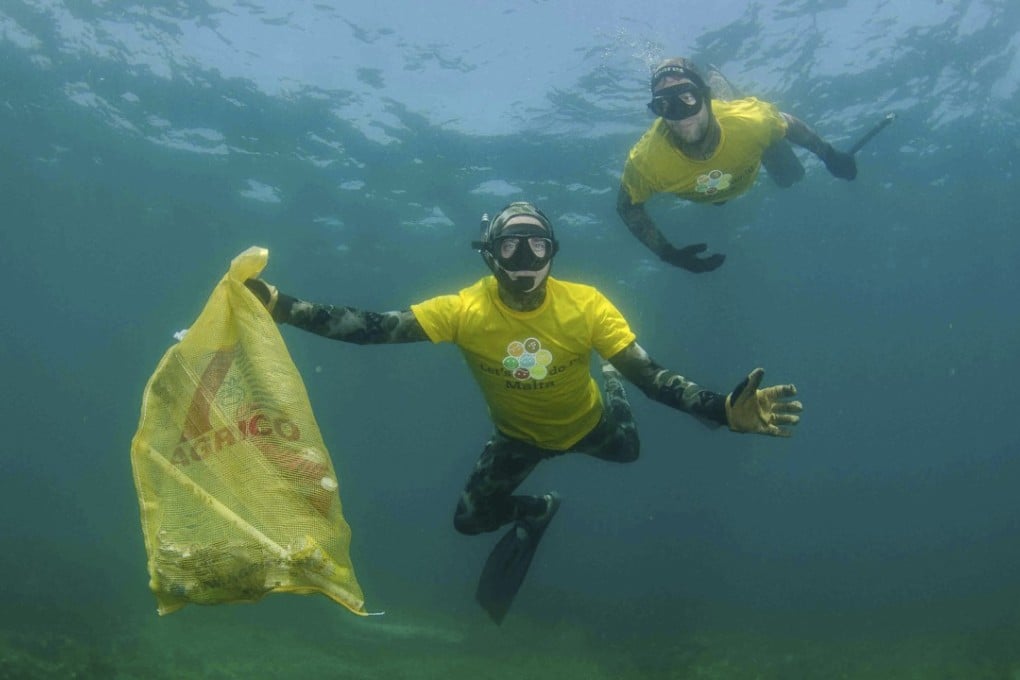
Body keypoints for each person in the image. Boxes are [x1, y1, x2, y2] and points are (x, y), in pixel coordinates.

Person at [245, 201, 803, 623]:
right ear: (489, 254)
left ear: (553, 252)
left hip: (592, 426)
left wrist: (722, 411)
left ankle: (609, 387)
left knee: (630, 447)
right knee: (468, 521)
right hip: (517, 438)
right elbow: (372, 329)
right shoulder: (464, 310)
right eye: (511, 246)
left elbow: (653, 377)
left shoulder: (586, 306)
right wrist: (278, 305)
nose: (525, 261)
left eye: (537, 246)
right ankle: (537, 510)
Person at [618, 57, 858, 273]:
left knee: (752, 126)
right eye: (665, 105)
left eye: (687, 98)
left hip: (737, 144)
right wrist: (668, 253)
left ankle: (719, 83)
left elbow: (789, 124)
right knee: (720, 200)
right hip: (715, 191)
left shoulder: (750, 121)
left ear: (704, 96)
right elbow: (627, 206)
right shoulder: (646, 162)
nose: (680, 115)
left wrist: (829, 154)